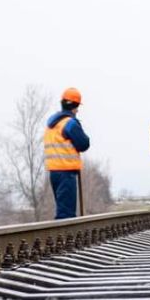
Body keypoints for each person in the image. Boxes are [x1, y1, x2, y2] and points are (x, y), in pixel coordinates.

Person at [44, 87, 90, 219]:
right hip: (66, 172)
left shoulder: (52, 124)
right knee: (66, 215)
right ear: (74, 106)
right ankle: (63, 233)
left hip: (54, 172)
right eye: (77, 107)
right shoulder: (69, 123)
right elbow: (84, 143)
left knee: (62, 210)